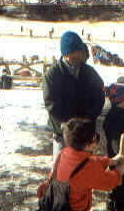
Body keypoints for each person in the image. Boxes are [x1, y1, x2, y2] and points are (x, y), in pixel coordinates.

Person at [43, 31, 105, 162]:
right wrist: (70, 124)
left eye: (80, 51)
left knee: (85, 171)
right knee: (61, 171)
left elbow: (99, 96)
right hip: (64, 133)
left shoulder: (89, 72)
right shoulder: (52, 75)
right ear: (66, 54)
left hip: (86, 134)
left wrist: (88, 118)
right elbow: (51, 104)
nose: (79, 55)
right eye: (75, 52)